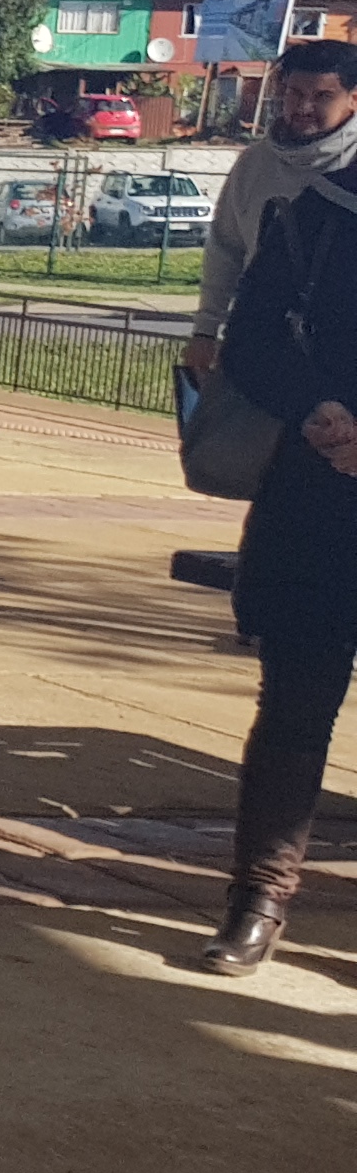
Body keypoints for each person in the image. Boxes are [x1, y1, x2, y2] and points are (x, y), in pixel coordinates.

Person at [203, 152, 357, 973]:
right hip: (318, 497)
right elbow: (253, 339)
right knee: (295, 708)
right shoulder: (320, 212)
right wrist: (314, 408)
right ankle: (259, 896)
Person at [186, 39, 357, 381]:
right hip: (259, 342)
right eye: (295, 93)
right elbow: (225, 250)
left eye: (323, 96)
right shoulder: (254, 164)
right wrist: (205, 331)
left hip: (344, 352)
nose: (304, 107)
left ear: (354, 99)